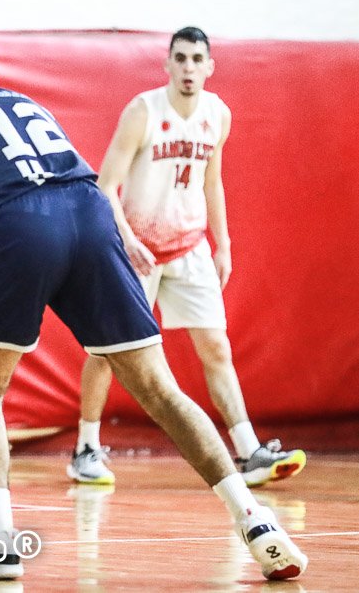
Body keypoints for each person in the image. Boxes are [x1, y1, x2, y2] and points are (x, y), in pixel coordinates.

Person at [0, 19, 307, 581]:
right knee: (160, 389)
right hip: (90, 215)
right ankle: (255, 520)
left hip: (19, 224)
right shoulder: (24, 102)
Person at [70, 27, 306, 488]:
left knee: (216, 346)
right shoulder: (143, 111)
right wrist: (127, 240)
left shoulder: (217, 114)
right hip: (137, 248)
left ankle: (249, 452)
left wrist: (224, 243)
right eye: (180, 58)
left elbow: (211, 181)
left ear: (210, 66)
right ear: (167, 64)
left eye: (197, 59)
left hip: (189, 244)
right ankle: (86, 447)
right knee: (106, 352)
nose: (188, 68)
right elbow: (106, 186)